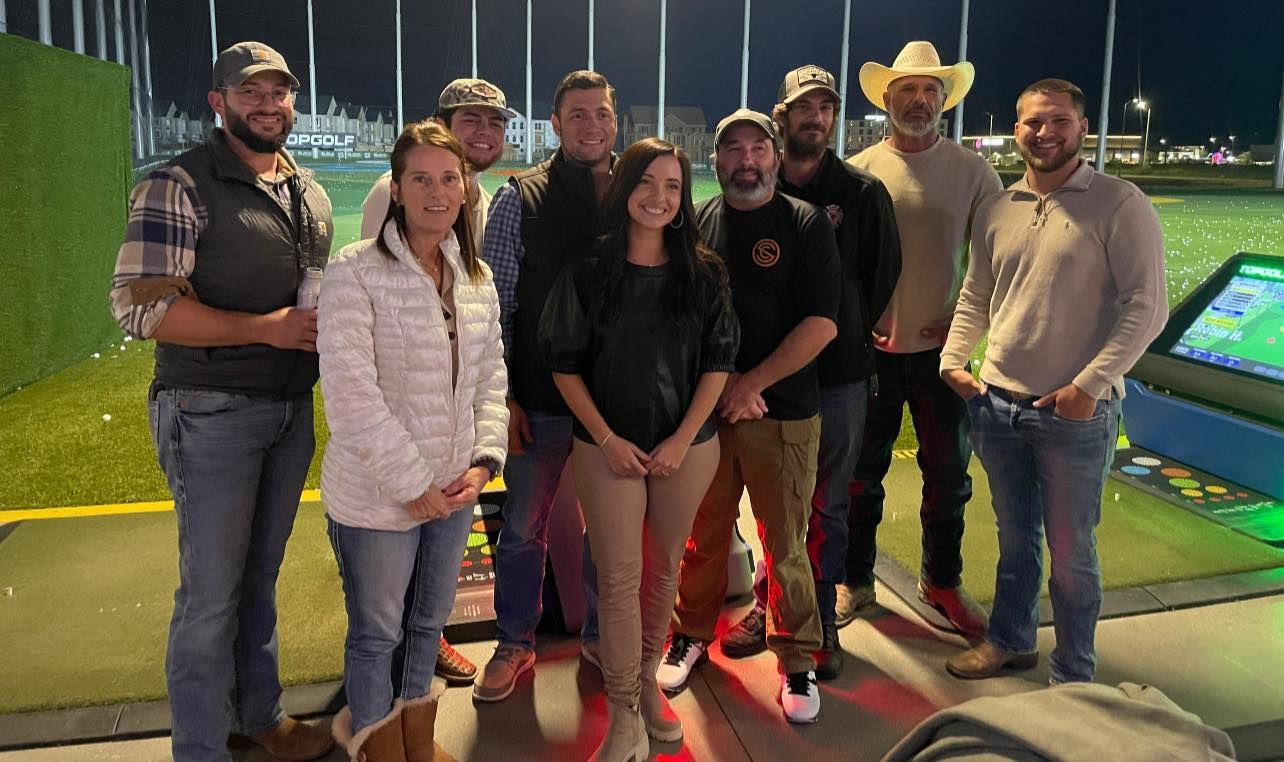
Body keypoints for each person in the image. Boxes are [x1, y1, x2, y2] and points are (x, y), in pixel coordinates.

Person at [108, 41, 335, 762]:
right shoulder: (176, 185)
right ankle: (201, 749)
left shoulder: (307, 190)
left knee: (257, 580)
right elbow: (140, 309)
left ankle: (258, 717)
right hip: (209, 410)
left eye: (279, 91)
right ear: (219, 102)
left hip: (288, 410)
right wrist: (265, 329)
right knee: (210, 596)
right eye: (250, 92)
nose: (268, 104)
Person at [940, 78, 1167, 684]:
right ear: (1017, 130)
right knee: (1016, 537)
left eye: (1059, 121)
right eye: (1033, 122)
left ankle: (1073, 675)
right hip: (997, 403)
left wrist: (1089, 385)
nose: (1045, 133)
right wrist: (954, 359)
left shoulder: (1119, 203)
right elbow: (977, 292)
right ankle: (1011, 640)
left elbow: (1148, 307)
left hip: (1075, 414)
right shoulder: (999, 207)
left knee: (1072, 554)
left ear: (1082, 128)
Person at [540, 138, 739, 760]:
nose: (659, 197)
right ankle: (624, 709)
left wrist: (681, 438)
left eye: (673, 186)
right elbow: (564, 364)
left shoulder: (703, 273)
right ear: (625, 188)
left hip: (687, 447)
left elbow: (719, 362)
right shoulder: (588, 271)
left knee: (663, 570)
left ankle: (647, 683)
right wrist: (605, 437)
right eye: (647, 182)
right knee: (619, 577)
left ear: (684, 198)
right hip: (608, 447)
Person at [318, 120, 508, 759]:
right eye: (421, 179)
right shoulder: (354, 272)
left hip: (453, 491)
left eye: (449, 179)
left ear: (465, 190)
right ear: (396, 190)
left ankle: (416, 745)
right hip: (378, 498)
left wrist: (483, 462)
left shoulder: (475, 278)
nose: (437, 192)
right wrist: (412, 486)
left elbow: (490, 377)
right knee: (377, 635)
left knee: (427, 625)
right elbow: (351, 398)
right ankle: (378, 751)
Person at [656, 109, 841, 725]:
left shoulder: (805, 223)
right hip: (710, 413)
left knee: (786, 544)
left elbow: (821, 323)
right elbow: (683, 315)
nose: (745, 161)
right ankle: (690, 634)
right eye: (732, 149)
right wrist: (721, 390)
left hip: (781, 413)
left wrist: (752, 383)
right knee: (702, 536)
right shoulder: (698, 220)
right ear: (716, 160)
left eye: (757, 148)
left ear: (775, 156)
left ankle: (797, 659)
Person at [719, 64, 901, 680]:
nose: (816, 118)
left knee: (823, 505)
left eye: (826, 108)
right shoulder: (750, 190)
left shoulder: (861, 192)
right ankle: (773, 607)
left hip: (836, 376)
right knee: (775, 508)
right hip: (763, 380)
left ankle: (817, 619)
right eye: (804, 107)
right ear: (782, 119)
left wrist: (842, 333)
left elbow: (878, 280)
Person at [359, 76, 515, 689]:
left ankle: (421, 658)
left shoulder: (477, 196)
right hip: (402, 413)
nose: (484, 132)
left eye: (494, 122)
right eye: (469, 119)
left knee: (432, 565)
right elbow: (378, 308)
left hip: (449, 408)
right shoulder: (392, 193)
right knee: (384, 598)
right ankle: (387, 699)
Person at [842, 41, 1002, 635]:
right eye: (907, 89)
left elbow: (997, 260)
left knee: (949, 477)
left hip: (943, 355)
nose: (919, 99)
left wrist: (965, 321)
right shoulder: (860, 170)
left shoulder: (973, 172)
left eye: (930, 90)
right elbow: (840, 264)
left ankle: (941, 581)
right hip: (872, 353)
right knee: (860, 475)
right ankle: (854, 579)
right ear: (887, 99)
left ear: (943, 100)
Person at [475, 70, 619, 703]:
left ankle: (602, 636)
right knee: (523, 529)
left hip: (616, 403)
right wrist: (504, 396)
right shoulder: (520, 197)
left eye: (602, 113)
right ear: (556, 124)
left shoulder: (637, 190)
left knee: (611, 529)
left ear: (615, 121)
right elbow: (496, 308)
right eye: (577, 114)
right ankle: (515, 641)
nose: (592, 125)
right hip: (539, 398)